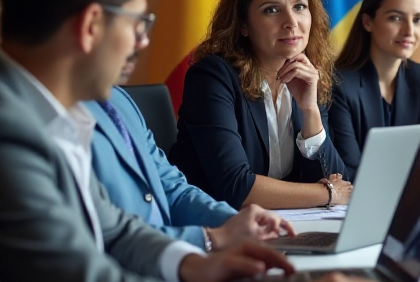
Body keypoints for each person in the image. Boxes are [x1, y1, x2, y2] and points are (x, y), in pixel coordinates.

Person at [0, 0, 393, 282]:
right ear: (92, 25)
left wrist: (196, 259)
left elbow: (115, 230)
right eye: (138, 21)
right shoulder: (12, 134)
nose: (143, 40)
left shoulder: (90, 106)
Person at [169, 0, 351, 210]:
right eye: (271, 10)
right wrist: (327, 193)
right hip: (213, 228)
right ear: (243, 24)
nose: (291, 23)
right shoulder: (212, 76)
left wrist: (310, 111)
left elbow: (339, 181)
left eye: (300, 7)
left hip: (281, 226)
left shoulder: (308, 76)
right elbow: (236, 187)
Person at [88, 81, 296, 251]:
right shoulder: (62, 120)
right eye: (132, 28)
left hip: (178, 258)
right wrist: (210, 238)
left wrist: (234, 221)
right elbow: (104, 235)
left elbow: (172, 189)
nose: (141, 41)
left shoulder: (120, 100)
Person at [329, 0, 420, 179]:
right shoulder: (340, 84)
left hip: (412, 202)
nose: (409, 31)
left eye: (418, 20)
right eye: (396, 18)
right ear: (368, 21)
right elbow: (351, 170)